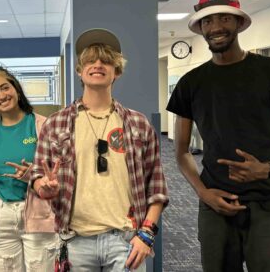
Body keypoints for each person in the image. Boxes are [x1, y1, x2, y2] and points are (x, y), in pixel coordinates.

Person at [167, 0, 270, 271]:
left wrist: (269, 168)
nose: (216, 27)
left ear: (239, 23)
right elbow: (181, 152)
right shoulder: (191, 83)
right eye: (208, 22)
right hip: (215, 202)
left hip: (268, 201)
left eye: (224, 19)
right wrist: (203, 192)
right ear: (200, 29)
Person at [31, 29, 169, 271]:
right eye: (90, 60)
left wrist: (146, 233)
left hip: (126, 240)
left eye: (106, 61)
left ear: (116, 72)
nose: (98, 64)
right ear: (79, 71)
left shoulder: (137, 124)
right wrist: (43, 187)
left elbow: (156, 187)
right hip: (75, 242)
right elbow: (36, 176)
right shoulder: (55, 123)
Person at [0, 68, 57, 271]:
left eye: (5, 88)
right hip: (1, 217)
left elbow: (58, 176)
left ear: (16, 89)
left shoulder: (43, 126)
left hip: (38, 212)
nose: (1, 96)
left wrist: (32, 176)